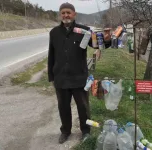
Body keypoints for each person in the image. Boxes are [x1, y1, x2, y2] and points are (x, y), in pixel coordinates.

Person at [47, 2, 110, 144]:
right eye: (63, 13)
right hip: (61, 78)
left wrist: (106, 40)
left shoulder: (85, 31)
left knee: (83, 107)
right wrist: (51, 75)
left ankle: (86, 131)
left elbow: (96, 44)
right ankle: (66, 131)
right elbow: (51, 54)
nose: (66, 15)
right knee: (63, 107)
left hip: (79, 77)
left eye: (68, 12)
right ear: (60, 15)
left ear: (74, 14)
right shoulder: (54, 33)